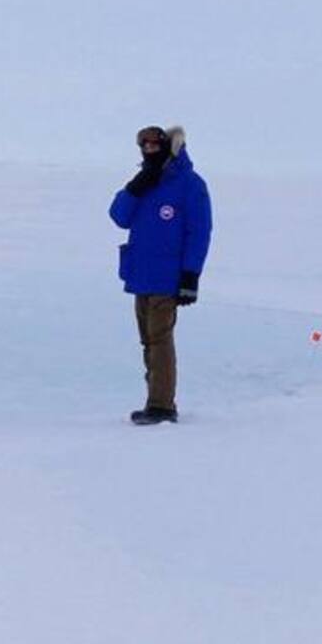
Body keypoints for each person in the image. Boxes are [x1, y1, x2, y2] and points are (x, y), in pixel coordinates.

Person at [109, 125, 213, 424]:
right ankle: (155, 400)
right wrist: (136, 186)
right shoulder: (146, 181)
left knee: (160, 340)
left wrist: (190, 276)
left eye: (156, 146)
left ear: (168, 146)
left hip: (168, 278)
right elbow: (118, 216)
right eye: (145, 147)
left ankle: (162, 406)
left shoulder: (190, 185)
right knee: (149, 341)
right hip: (141, 274)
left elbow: (199, 232)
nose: (150, 151)